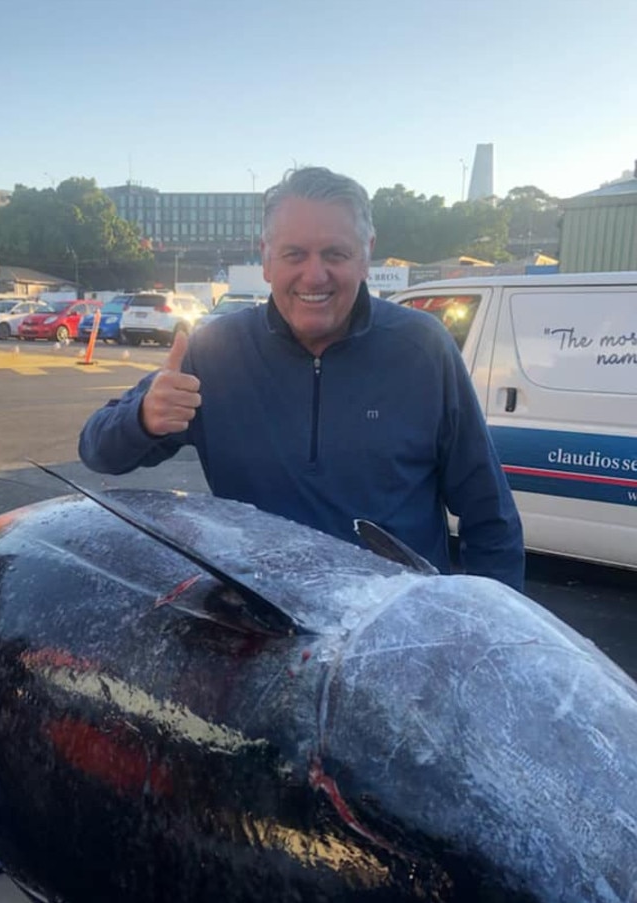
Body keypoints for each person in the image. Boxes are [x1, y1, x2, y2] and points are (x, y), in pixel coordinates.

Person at [79, 166, 525, 591]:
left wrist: (497, 639)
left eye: (335, 253)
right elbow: (98, 451)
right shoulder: (215, 352)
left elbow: (490, 516)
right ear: (267, 259)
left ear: (366, 254)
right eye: (295, 254)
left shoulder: (423, 348)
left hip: (393, 637)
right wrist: (142, 418)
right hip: (266, 634)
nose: (315, 275)